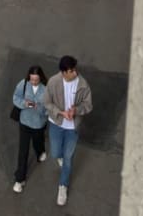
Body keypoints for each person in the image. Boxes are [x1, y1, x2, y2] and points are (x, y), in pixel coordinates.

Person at [44, 55, 93, 207]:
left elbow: (88, 105)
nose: (75, 73)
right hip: (56, 123)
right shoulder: (53, 82)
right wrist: (60, 112)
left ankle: (63, 186)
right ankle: (60, 157)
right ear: (63, 72)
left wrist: (76, 110)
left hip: (73, 128)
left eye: (75, 69)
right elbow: (46, 102)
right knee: (55, 152)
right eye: (71, 71)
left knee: (68, 157)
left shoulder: (83, 85)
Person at [12, 65, 49, 193]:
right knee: (23, 151)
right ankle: (19, 179)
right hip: (24, 122)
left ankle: (40, 152)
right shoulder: (23, 84)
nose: (33, 82)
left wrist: (38, 108)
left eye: (36, 80)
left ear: (41, 78)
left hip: (38, 124)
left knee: (38, 142)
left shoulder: (46, 90)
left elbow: (48, 109)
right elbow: (16, 98)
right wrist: (24, 104)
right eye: (31, 79)